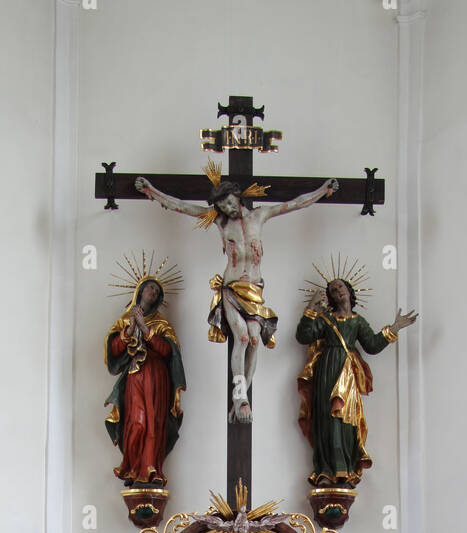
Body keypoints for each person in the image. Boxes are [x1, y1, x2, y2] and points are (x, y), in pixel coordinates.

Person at [135, 171, 338, 422]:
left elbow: (295, 203)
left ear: (238, 197)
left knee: (254, 341)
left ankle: (243, 398)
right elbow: (182, 206)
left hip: (255, 289)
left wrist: (322, 191)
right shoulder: (221, 223)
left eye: (230, 202)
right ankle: (239, 397)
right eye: (222, 206)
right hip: (231, 288)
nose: (229, 209)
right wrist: (152, 192)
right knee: (241, 337)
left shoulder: (259, 216)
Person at [296, 279, 417, 485]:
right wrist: (311, 309)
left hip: (348, 374)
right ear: (330, 297)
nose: (337, 291)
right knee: (327, 418)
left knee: (345, 419)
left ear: (349, 291)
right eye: (333, 290)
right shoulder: (326, 319)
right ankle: (326, 469)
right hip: (327, 371)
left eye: (340, 287)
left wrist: (395, 328)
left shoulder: (358, 322)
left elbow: (372, 345)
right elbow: (303, 335)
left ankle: (346, 466)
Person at [104, 277, 185, 485]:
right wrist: (131, 329)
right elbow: (113, 351)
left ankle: (151, 470)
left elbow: (168, 351)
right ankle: (132, 468)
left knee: (154, 423)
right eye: (150, 288)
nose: (153, 292)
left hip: (156, 377)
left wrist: (145, 329)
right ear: (140, 291)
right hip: (134, 377)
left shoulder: (162, 324)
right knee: (137, 422)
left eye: (157, 291)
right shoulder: (124, 320)